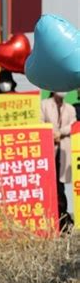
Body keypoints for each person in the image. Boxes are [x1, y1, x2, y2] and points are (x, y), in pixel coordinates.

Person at [41, 92, 76, 231]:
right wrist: (52, 134)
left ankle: (62, 217)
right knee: (50, 185)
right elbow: (40, 121)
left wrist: (59, 133)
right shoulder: (44, 104)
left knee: (61, 186)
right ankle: (52, 216)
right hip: (48, 148)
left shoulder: (70, 108)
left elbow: (72, 124)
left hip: (63, 149)